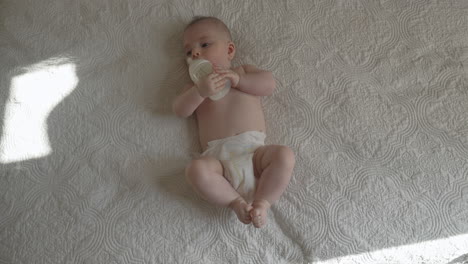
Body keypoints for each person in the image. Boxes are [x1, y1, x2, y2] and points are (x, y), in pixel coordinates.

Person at [172, 16, 295, 228]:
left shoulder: (243, 72)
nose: (195, 53)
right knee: (195, 170)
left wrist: (239, 80)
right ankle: (235, 202)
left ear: (229, 51)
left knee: (284, 155)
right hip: (218, 161)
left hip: (255, 154)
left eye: (204, 44)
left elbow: (268, 85)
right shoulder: (194, 88)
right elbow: (180, 110)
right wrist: (200, 92)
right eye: (188, 52)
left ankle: (263, 203)